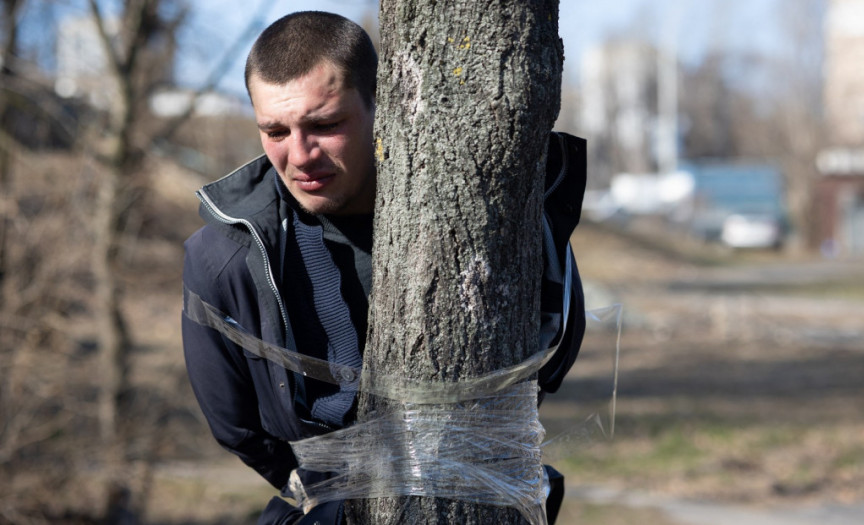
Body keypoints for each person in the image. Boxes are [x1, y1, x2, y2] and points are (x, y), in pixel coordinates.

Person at [181, 10, 586, 525]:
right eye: (275, 131)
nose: (299, 155)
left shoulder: (500, 215)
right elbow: (236, 426)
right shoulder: (222, 260)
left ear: (384, 104)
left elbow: (550, 356)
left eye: (324, 125)